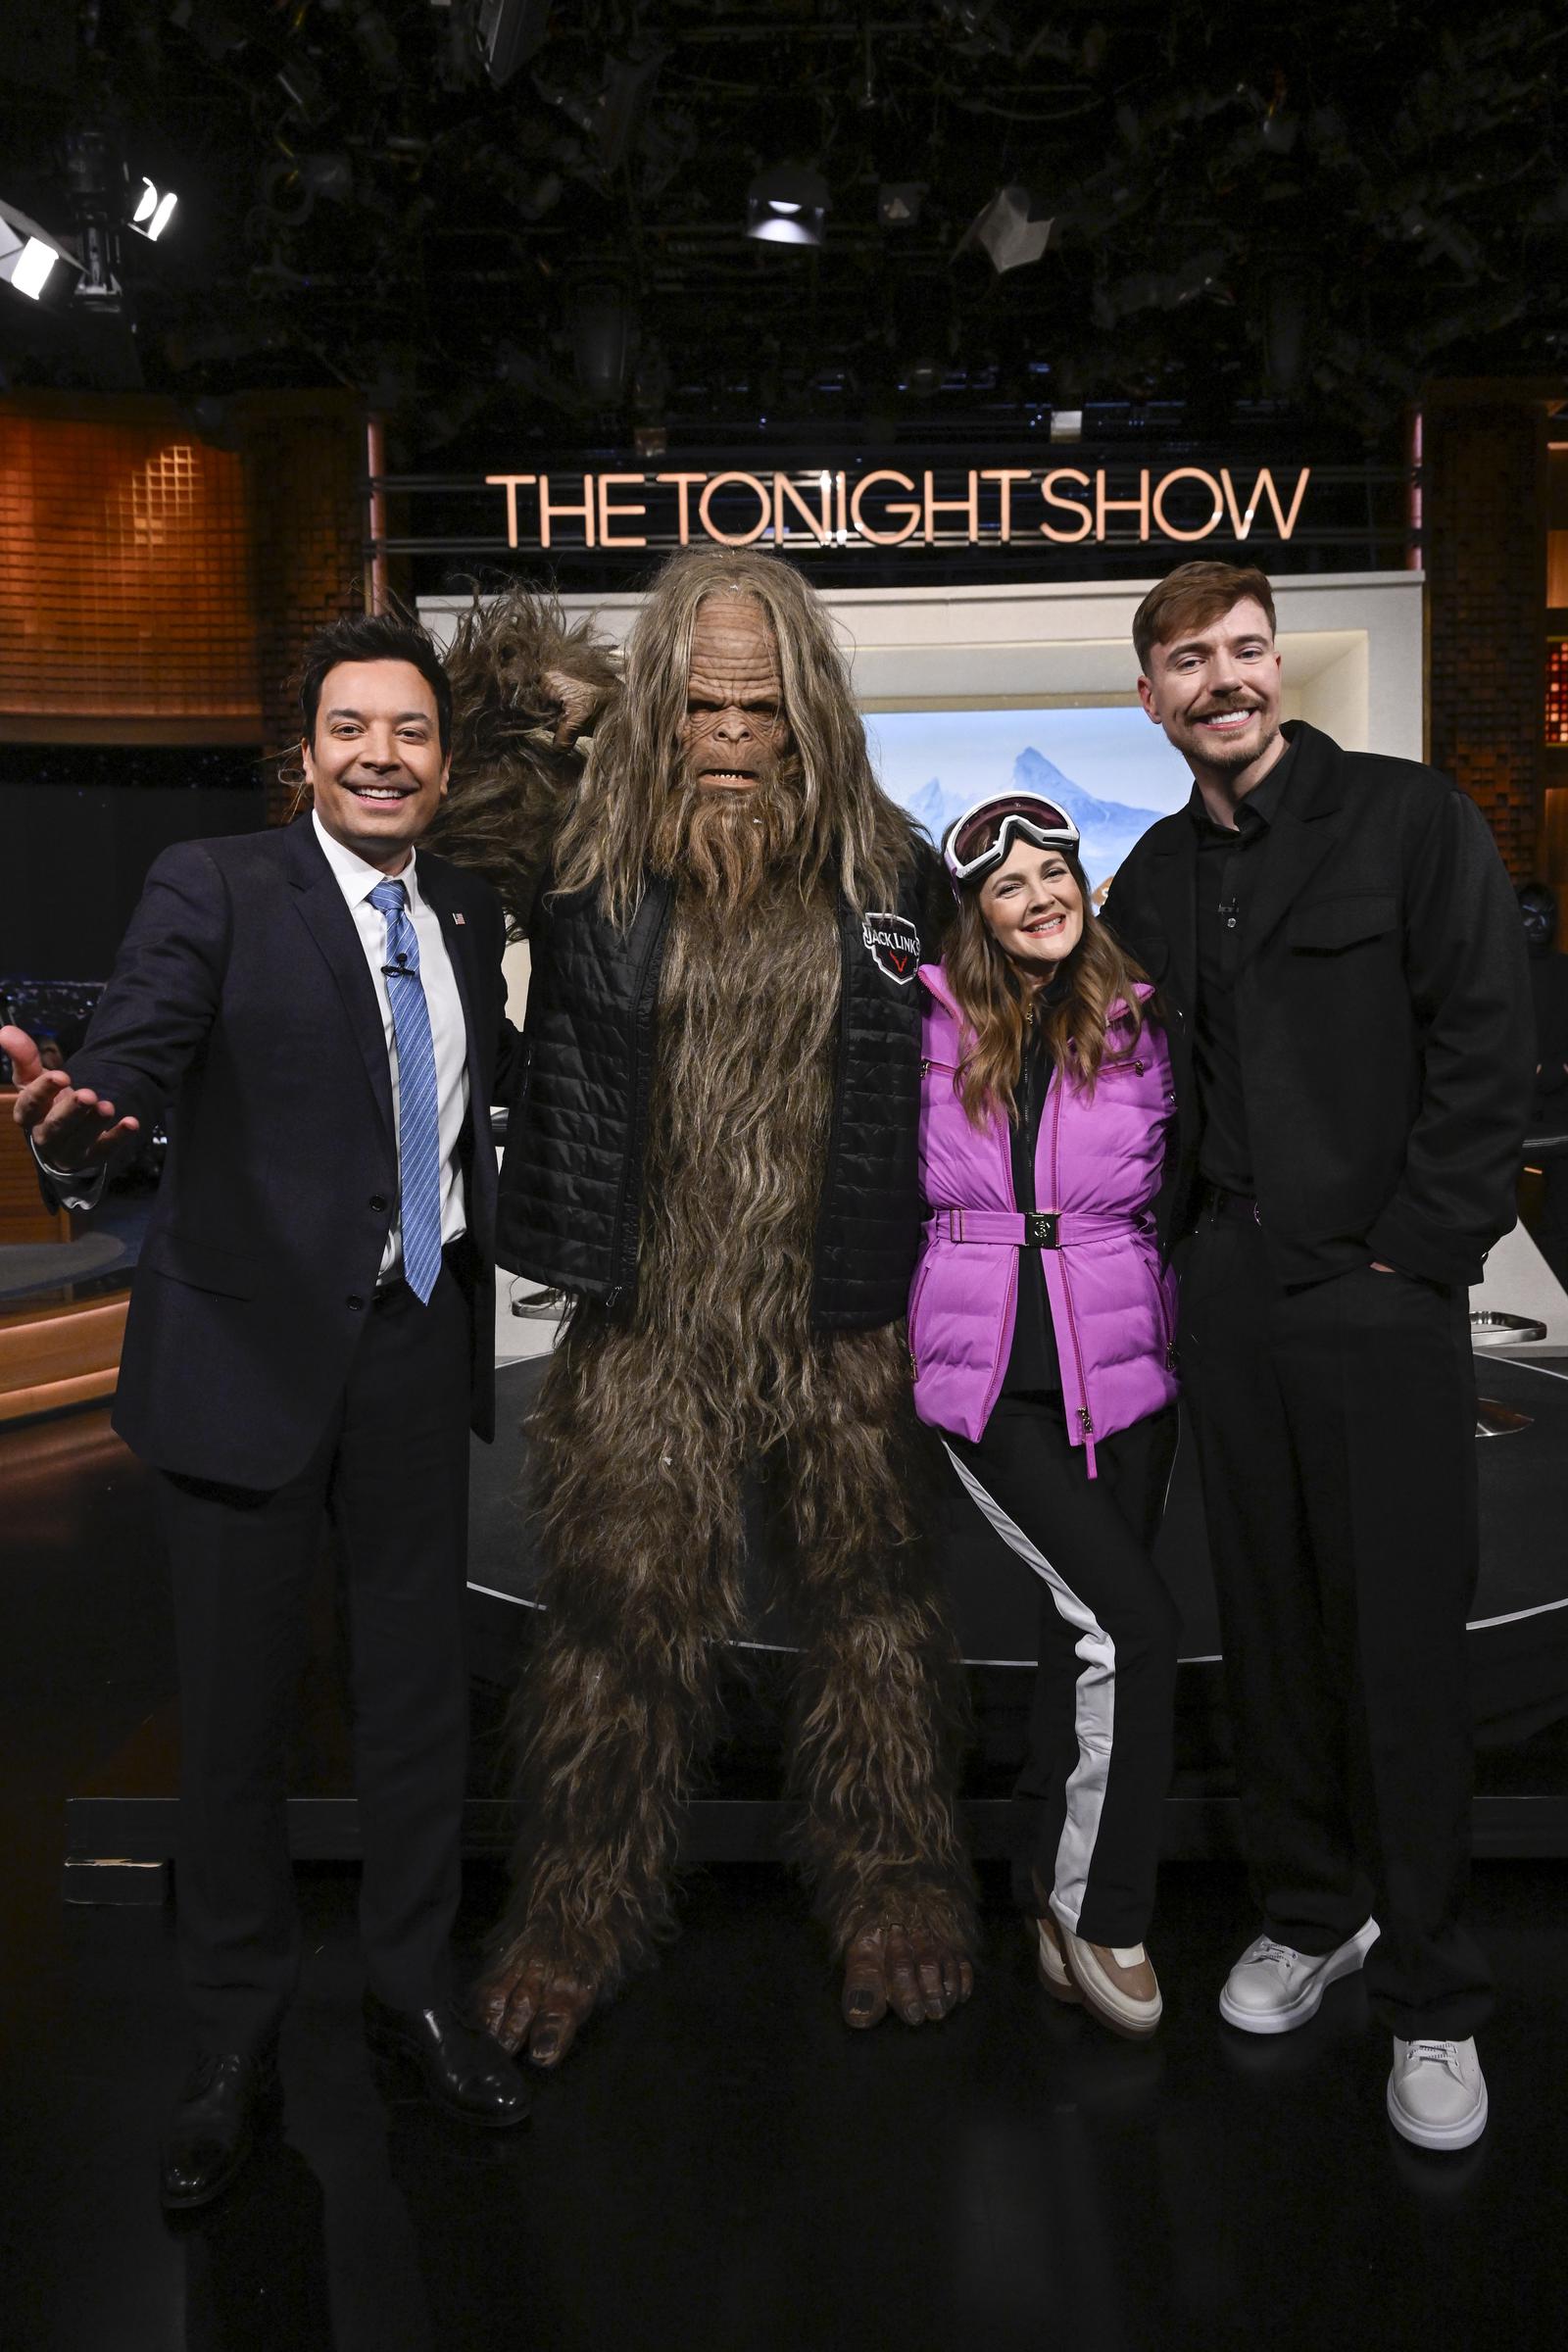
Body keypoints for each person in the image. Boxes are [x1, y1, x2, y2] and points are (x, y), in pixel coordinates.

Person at [2, 612, 534, 2213]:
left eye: (412, 731)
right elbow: (142, 1051)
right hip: (242, 1362)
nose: (383, 753)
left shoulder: (469, 904)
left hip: (412, 1349)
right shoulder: (216, 885)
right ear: (303, 754)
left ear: (443, 764)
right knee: (230, 1729)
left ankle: (412, 1993)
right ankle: (232, 2043)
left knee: (418, 1705)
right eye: (352, 727)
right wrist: (80, 1123)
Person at [426, 553, 976, 2066]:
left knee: (873, 1617)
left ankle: (893, 1880)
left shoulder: (890, 864)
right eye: (702, 705)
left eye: (761, 708)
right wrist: (563, 689)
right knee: (613, 1626)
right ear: (663, 708)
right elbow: (441, 800)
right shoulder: (586, 845)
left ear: (809, 713)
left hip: (843, 1313)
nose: (731, 737)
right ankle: (576, 1911)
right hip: (646, 1317)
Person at [1103, 559, 1532, 2150]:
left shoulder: (1412, 822)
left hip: (1375, 1299)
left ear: (1276, 665)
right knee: (1274, 1637)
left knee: (1402, 1650)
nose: (1223, 680)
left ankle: (1433, 1992)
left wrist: (1413, 1253)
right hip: (1224, 1298)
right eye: (1188, 661)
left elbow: (1487, 1042)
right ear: (1149, 696)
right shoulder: (1146, 877)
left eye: (1244, 650)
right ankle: (1312, 1911)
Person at [909, 790, 1180, 2039]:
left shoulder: (1137, 1023)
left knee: (1084, 1643)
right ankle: (1104, 1908)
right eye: (1007, 884)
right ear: (975, 911)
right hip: (986, 1380)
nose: (1036, 896)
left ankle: (1041, 1892)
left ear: (1085, 881)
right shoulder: (925, 1023)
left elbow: (1184, 1185)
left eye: (1052, 870)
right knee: (1132, 1625)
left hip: (1123, 1371)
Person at [1519, 880, 1568, 1287]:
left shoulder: (1565, 970)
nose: (1540, 923)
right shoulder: (1498, 972)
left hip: (1562, 1106)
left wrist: (1559, 1070)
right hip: (1508, 1103)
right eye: (1529, 914)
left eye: (1547, 914)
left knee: (1561, 1216)